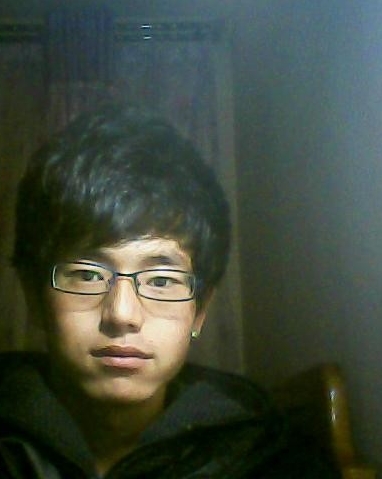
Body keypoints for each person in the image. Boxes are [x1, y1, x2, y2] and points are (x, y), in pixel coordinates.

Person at [0, 105, 337, 478]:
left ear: (200, 310)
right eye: (88, 275)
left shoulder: (276, 463)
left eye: (160, 281)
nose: (123, 314)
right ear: (33, 296)